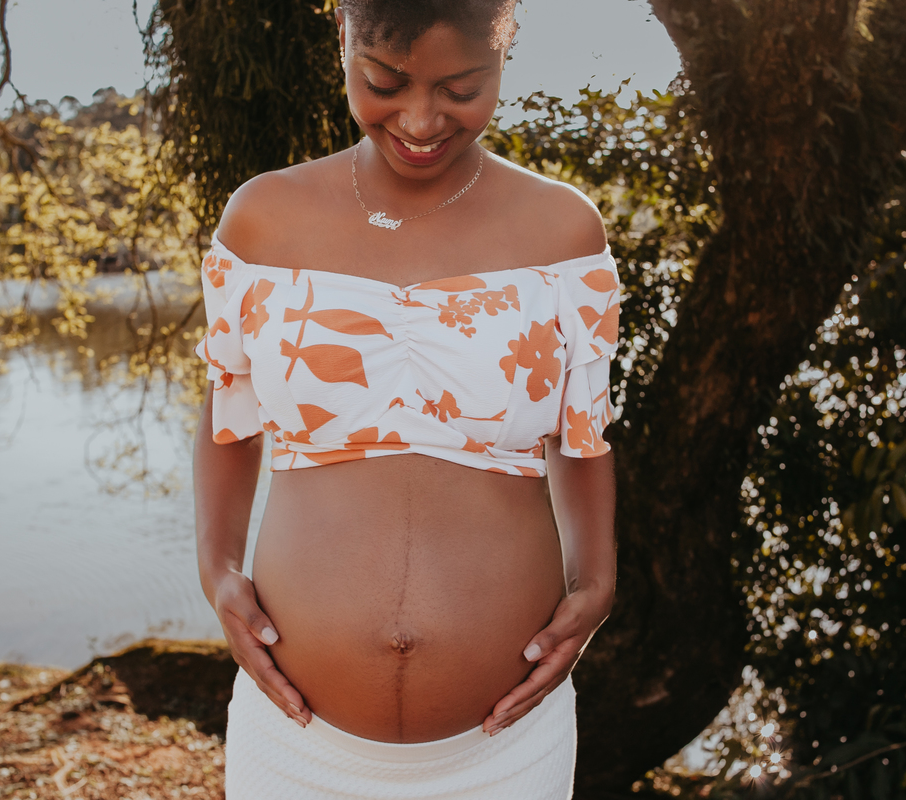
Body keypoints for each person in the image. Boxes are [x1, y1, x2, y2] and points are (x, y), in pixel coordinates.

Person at [192, 1, 619, 796]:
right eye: (384, 82)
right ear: (345, 46)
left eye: (463, 88)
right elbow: (229, 414)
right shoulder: (262, 220)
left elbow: (582, 431)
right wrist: (216, 571)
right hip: (294, 739)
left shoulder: (563, 233)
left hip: (505, 747)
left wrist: (597, 580)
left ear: (506, 57)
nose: (421, 119)